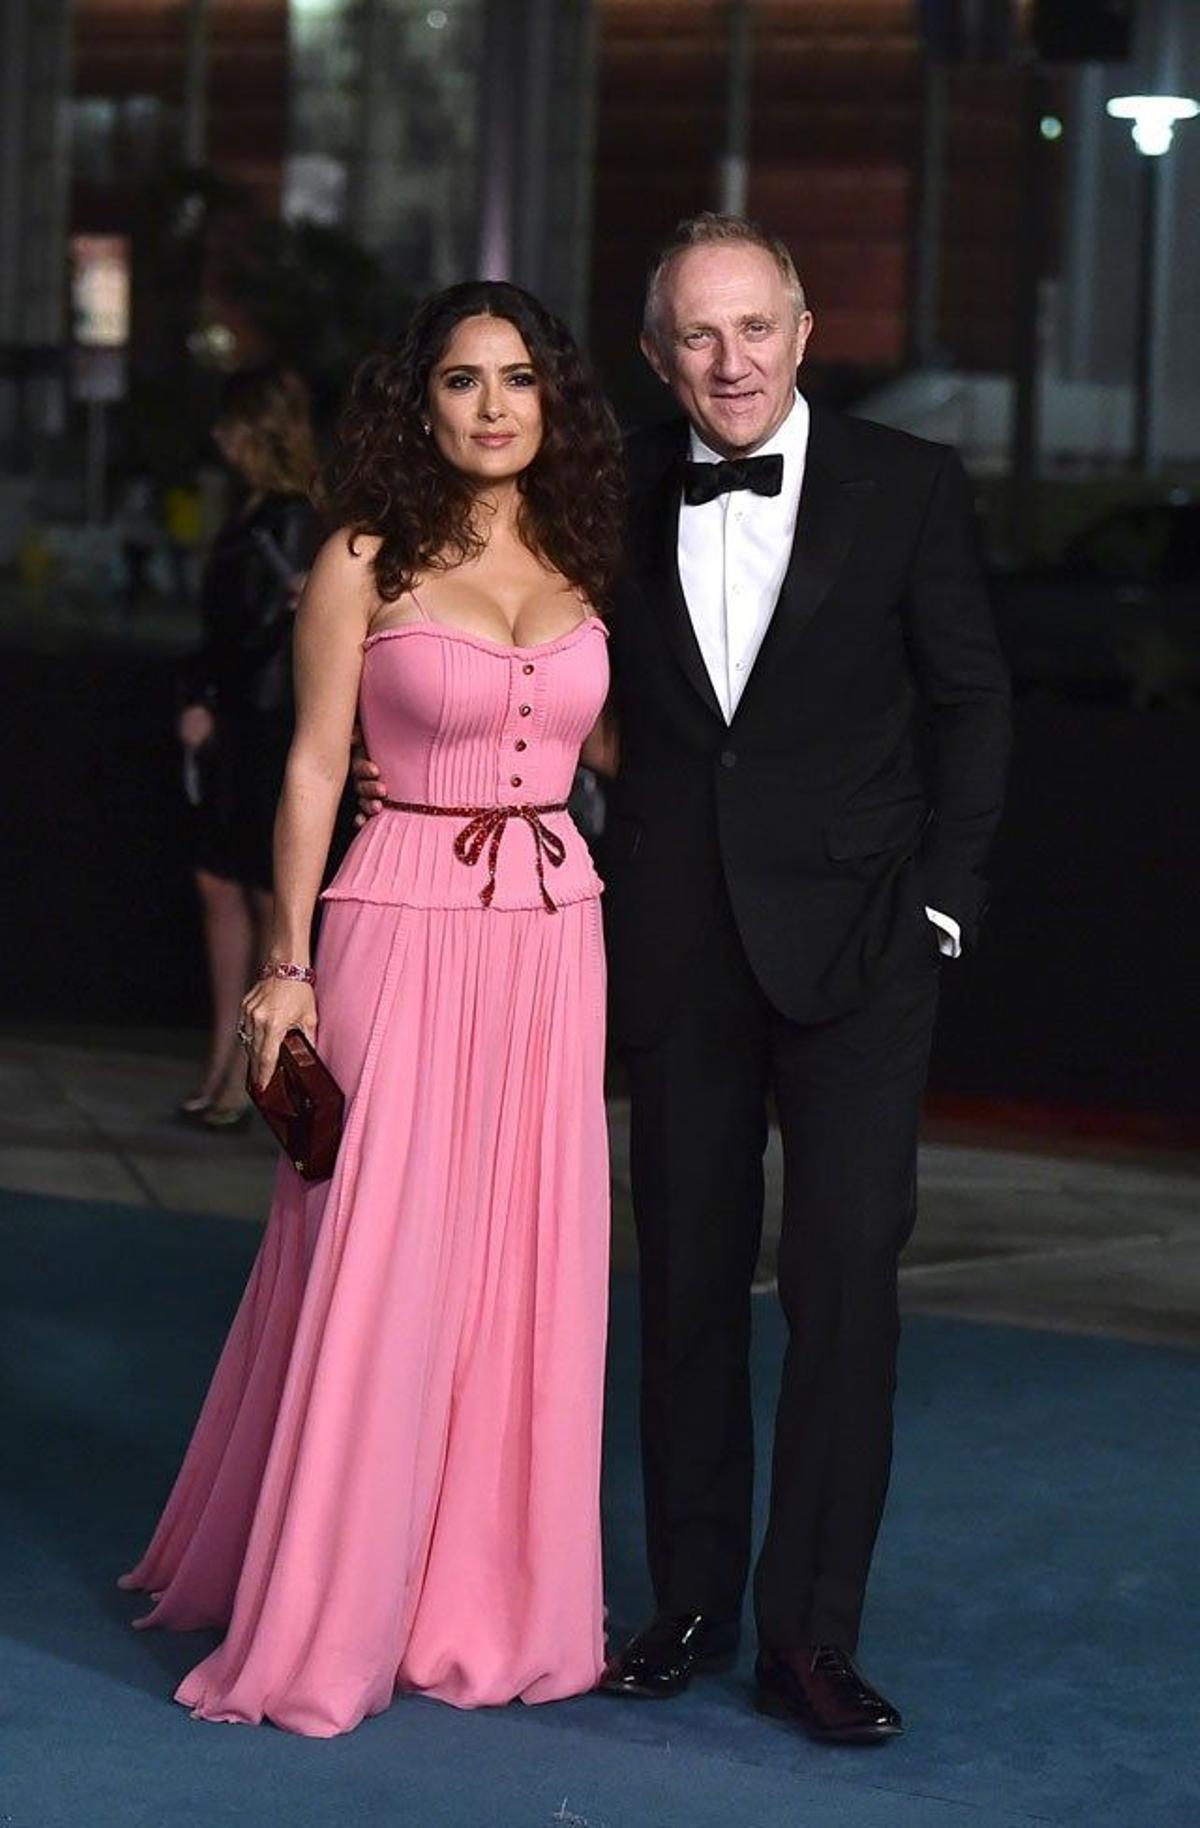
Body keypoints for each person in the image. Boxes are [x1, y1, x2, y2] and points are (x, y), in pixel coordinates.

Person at [354, 212, 1013, 1744]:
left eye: (755, 328)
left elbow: (976, 705)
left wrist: (942, 913)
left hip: (862, 955)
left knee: (845, 1287)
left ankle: (810, 1638)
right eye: (696, 337)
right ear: (658, 356)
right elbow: (485, 639)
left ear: (801, 331)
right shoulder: (604, 489)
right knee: (688, 1293)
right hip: (666, 943)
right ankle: (691, 1601)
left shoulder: (907, 485)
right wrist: (411, 772)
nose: (729, 361)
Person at [120, 282, 625, 1738]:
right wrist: (287, 966)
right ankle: (335, 1605)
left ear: (552, 403)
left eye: (518, 380)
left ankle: (486, 1604)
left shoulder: (589, 551)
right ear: (422, 401)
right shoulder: (360, 555)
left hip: (552, 929)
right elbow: (305, 770)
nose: (490, 407)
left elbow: (630, 752)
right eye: (463, 381)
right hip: (397, 917)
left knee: (528, 1264)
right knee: (377, 1257)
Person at [176, 367, 322, 1127]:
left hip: (273, 722)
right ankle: (223, 1064)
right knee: (222, 886)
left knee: (264, 894)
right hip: (241, 716)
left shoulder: (296, 515)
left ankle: (245, 1073)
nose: (219, 439)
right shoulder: (255, 511)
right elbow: (228, 628)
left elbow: (280, 635)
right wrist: (201, 696)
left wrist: (212, 690)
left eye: (231, 426)